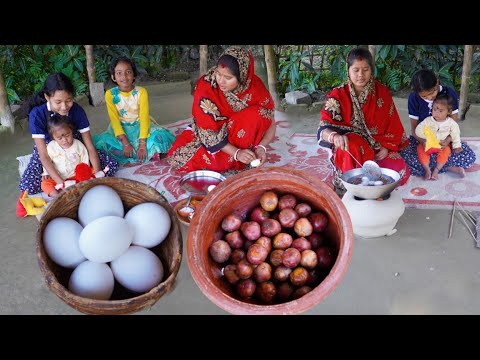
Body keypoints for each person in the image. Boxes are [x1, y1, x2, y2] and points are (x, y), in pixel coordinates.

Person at [166, 46, 276, 172]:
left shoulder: (254, 87)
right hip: (213, 138)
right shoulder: (206, 87)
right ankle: (236, 157)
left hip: (240, 134)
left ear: (243, 76)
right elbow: (208, 134)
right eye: (218, 73)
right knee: (183, 159)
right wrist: (236, 153)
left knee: (258, 114)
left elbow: (270, 119)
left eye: (228, 78)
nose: (220, 81)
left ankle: (245, 152)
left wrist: (262, 146)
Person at [317, 47, 410, 194]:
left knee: (400, 171)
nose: (361, 75)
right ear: (348, 70)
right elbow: (323, 129)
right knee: (353, 147)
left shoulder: (382, 93)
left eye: (365, 69)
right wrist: (335, 137)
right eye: (356, 70)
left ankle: (367, 175)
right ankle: (351, 182)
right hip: (351, 147)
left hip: (378, 146)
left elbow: (393, 125)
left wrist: (386, 147)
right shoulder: (338, 95)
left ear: (371, 70)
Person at [19, 72, 119, 195]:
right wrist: (62, 183)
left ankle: (77, 177)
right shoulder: (37, 115)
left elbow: (89, 146)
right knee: (27, 186)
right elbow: (44, 155)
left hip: (74, 144)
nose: (64, 106)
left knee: (111, 164)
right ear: (47, 97)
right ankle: (64, 179)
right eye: (58, 102)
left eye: (69, 100)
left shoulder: (77, 111)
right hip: (49, 150)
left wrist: (97, 177)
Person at [93, 56, 175, 165]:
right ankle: (145, 154)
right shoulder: (109, 94)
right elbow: (115, 120)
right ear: (113, 77)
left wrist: (142, 144)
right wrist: (125, 143)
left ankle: (144, 152)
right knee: (103, 145)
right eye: (119, 73)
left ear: (134, 75)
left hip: (141, 127)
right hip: (121, 130)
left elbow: (144, 117)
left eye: (128, 72)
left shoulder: (141, 92)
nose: (124, 77)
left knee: (160, 137)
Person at [400, 69, 476, 177]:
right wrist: (423, 142)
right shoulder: (414, 98)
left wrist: (448, 140)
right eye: (424, 96)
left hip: (444, 139)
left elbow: (454, 124)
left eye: (432, 93)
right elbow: (414, 129)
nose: (430, 98)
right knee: (403, 156)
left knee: (468, 156)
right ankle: (447, 166)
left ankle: (434, 166)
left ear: (437, 82)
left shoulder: (449, 94)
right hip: (423, 140)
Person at [415, 92, 463, 180]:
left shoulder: (451, 123)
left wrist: (456, 146)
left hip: (442, 146)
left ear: (448, 112)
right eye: (434, 109)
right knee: (419, 148)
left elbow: (455, 134)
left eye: (440, 111)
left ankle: (436, 170)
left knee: (447, 151)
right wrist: (426, 139)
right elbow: (418, 130)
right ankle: (427, 170)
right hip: (428, 144)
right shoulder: (428, 121)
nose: (436, 113)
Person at [40, 115, 91, 197]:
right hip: (58, 178)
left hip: (75, 177)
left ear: (71, 131)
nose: (64, 140)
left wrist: (84, 175)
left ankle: (78, 192)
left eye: (67, 135)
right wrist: (46, 172)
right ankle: (58, 197)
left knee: (90, 175)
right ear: (53, 137)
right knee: (45, 184)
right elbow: (47, 161)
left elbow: (85, 160)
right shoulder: (51, 147)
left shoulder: (78, 145)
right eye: (59, 138)